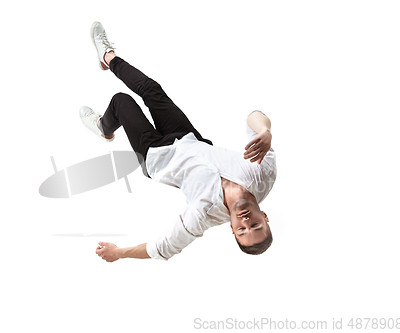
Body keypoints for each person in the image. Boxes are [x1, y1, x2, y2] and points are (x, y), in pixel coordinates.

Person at [80, 22, 277, 262]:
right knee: (152, 89)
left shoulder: (203, 215)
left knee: (121, 102)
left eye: (243, 231)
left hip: (156, 156)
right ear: (264, 216)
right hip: (188, 137)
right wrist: (265, 131)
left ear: (233, 229)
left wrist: (119, 253)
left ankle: (104, 127)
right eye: (256, 225)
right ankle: (107, 56)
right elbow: (253, 118)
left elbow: (163, 248)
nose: (247, 222)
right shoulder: (263, 174)